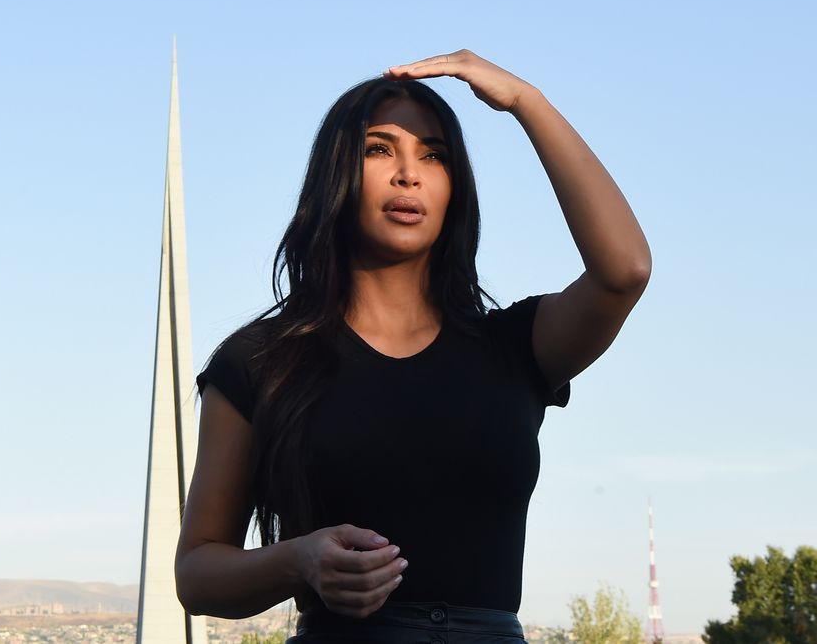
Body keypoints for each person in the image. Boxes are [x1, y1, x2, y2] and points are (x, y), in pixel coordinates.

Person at [174, 49, 651, 643]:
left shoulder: (515, 346)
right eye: (379, 149)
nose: (409, 173)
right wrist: (299, 560)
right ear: (337, 176)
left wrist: (527, 102)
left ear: (455, 188)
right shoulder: (260, 360)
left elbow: (624, 270)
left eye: (434, 155)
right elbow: (196, 573)